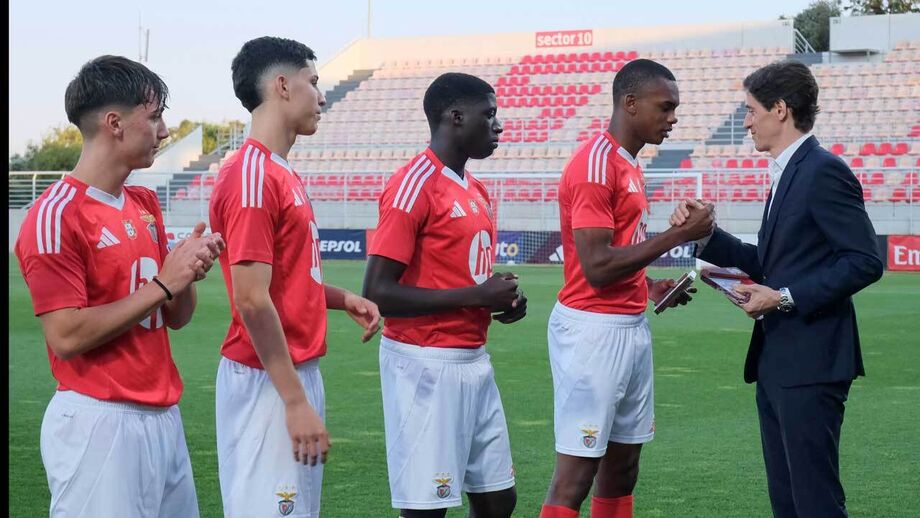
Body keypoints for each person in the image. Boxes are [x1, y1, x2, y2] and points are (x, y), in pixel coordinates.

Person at [671, 59, 883, 517]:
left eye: (750, 110)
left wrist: (783, 298)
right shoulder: (788, 171)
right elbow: (771, 264)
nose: (745, 121)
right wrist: (704, 235)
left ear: (780, 109)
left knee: (814, 500)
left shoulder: (823, 170)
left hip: (812, 362)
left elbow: (865, 261)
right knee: (787, 501)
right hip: (778, 360)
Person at [14, 55, 224, 517]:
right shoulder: (55, 215)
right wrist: (164, 284)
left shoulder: (145, 201)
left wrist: (184, 275)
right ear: (115, 123)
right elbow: (66, 336)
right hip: (99, 421)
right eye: (154, 116)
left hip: (163, 417)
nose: (165, 131)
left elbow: (177, 317)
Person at [209, 36, 381, 518]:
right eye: (314, 82)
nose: (322, 96)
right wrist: (293, 400)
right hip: (268, 378)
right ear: (283, 86)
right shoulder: (251, 174)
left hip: (290, 372)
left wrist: (342, 297)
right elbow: (250, 299)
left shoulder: (279, 170)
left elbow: (284, 280)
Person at [539, 59, 715, 518]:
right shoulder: (596, 165)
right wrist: (680, 235)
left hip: (628, 323)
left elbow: (619, 251)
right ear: (630, 104)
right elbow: (596, 266)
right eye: (666, 107)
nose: (673, 118)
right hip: (593, 333)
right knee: (576, 473)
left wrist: (649, 286)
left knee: (623, 465)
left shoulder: (627, 163)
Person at [362, 72, 526, 518]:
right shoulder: (413, 183)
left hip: (474, 359)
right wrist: (476, 295)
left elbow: (462, 279)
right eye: (489, 115)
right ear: (455, 117)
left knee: (498, 499)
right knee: (427, 509)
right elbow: (377, 292)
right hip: (424, 364)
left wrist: (500, 301)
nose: (499, 125)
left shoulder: (475, 189)